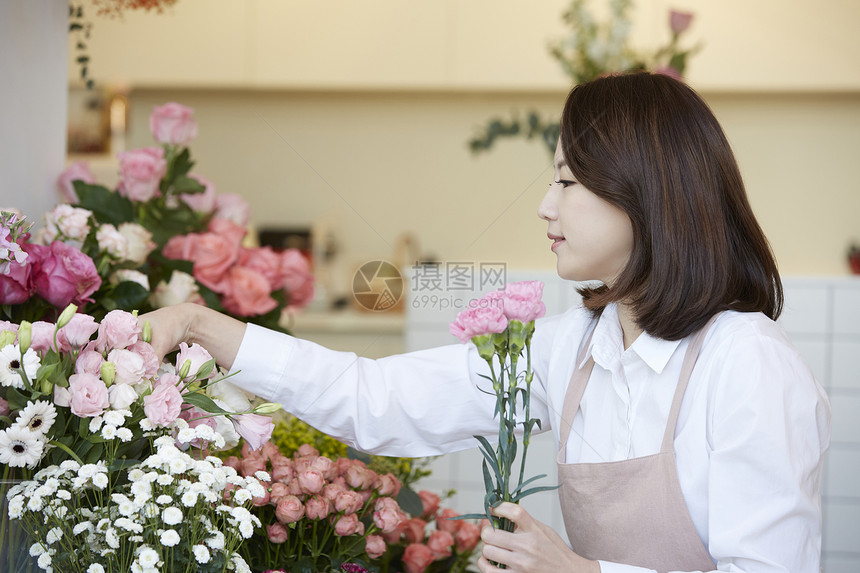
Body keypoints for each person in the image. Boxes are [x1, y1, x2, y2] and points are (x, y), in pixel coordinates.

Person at [144, 73, 830, 573]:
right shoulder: (572, 349)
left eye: (567, 181)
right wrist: (200, 326)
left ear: (643, 195)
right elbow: (375, 400)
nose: (544, 206)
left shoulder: (747, 364)